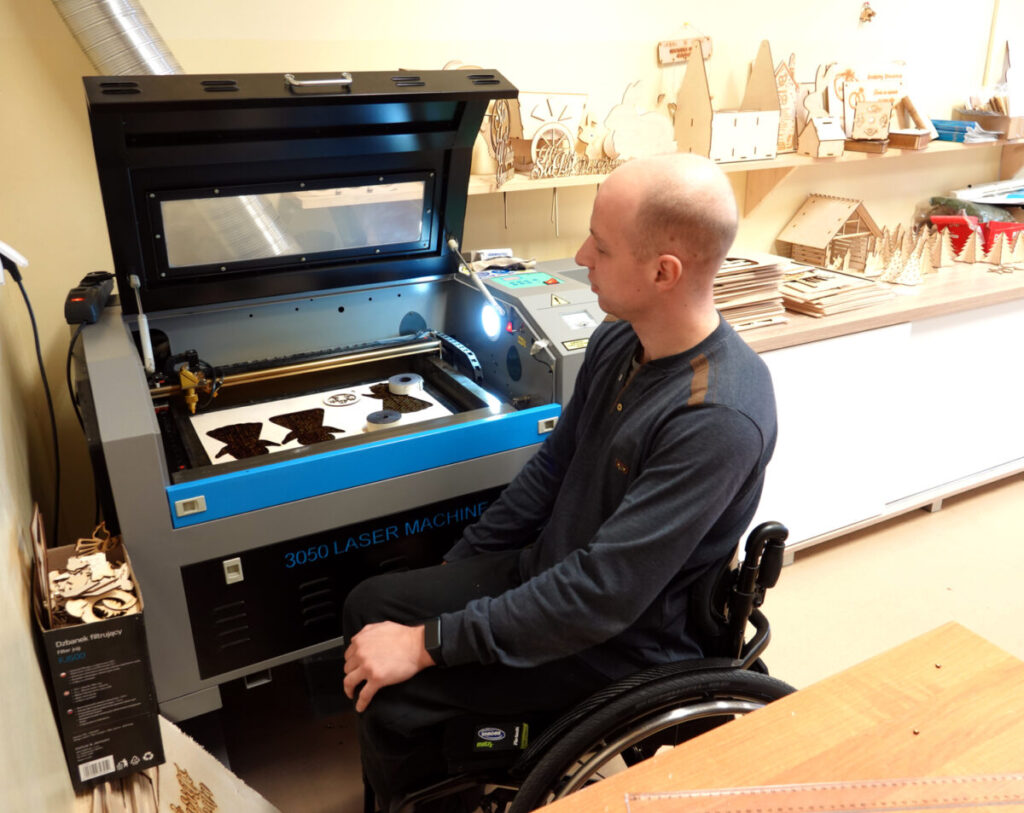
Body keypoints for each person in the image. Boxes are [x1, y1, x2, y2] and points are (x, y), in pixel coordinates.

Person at [342, 152, 777, 809]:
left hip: (621, 641)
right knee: (368, 604)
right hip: (554, 574)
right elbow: (552, 470)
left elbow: (603, 595)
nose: (581, 257)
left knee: (399, 704)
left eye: (601, 246)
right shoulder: (618, 340)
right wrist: (461, 569)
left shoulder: (716, 417)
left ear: (664, 272)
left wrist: (432, 641)